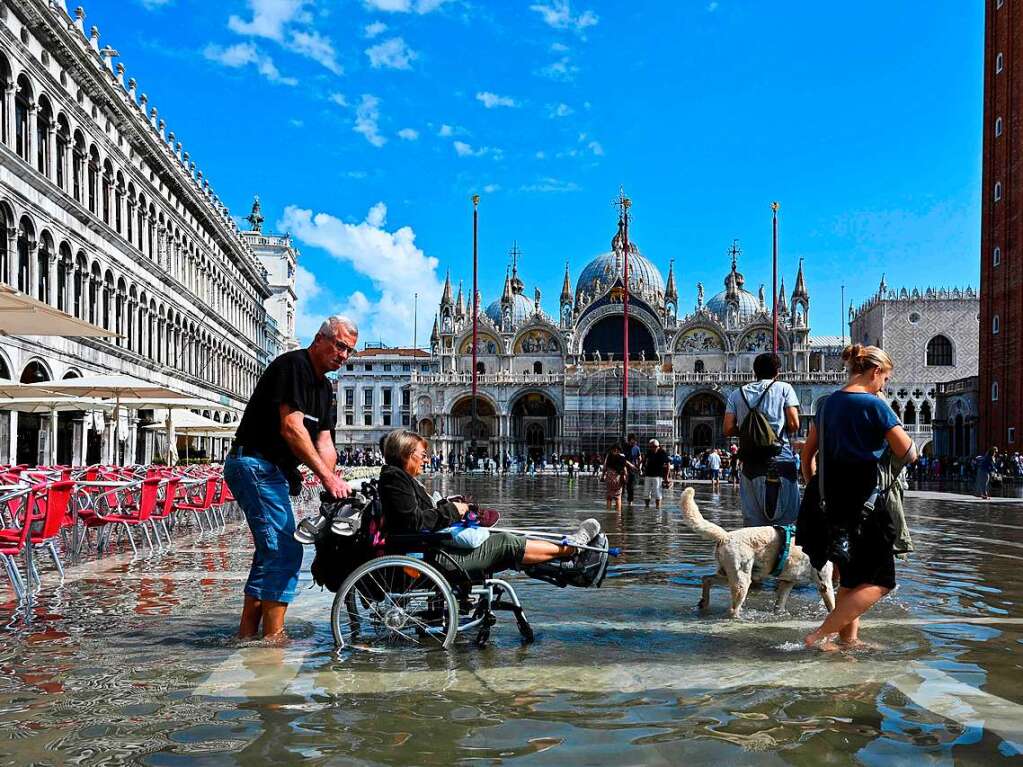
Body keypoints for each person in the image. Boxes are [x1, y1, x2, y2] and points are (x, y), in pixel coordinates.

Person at [225, 316, 356, 641]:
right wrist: (326, 478)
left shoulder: (325, 388)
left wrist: (334, 482)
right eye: (340, 346)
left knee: (270, 552)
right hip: (254, 464)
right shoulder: (293, 366)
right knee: (285, 550)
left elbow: (324, 442)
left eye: (349, 351)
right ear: (320, 339)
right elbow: (292, 427)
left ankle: (246, 635)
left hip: (273, 472)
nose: (343, 356)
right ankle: (274, 638)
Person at [800, 344, 917, 651]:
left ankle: (848, 640)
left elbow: (806, 455)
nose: (884, 385)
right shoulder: (874, 405)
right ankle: (819, 635)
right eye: (885, 379)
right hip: (865, 502)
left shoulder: (827, 405)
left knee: (851, 578)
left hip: (828, 502)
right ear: (874, 371)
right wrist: (882, 408)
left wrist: (818, 491)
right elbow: (909, 452)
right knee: (882, 580)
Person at [377, 430, 601, 578]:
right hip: (431, 557)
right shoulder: (395, 479)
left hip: (432, 549)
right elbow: (414, 521)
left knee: (502, 540)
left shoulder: (400, 479)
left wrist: (448, 505)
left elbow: (416, 517)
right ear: (406, 454)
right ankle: (571, 548)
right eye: (422, 454)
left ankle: (564, 565)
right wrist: (454, 510)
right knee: (505, 542)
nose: (426, 459)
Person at [723, 352, 801, 526]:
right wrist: (771, 433)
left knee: (753, 528)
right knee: (786, 526)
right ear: (777, 372)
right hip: (781, 462)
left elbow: (728, 429)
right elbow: (794, 424)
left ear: (754, 372)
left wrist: (749, 431)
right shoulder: (784, 388)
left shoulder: (737, 394)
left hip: (750, 466)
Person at [602, 444, 637, 513]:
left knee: (609, 497)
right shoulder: (622, 457)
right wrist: (626, 477)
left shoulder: (609, 456)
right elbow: (625, 468)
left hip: (609, 478)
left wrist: (603, 476)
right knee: (618, 497)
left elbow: (604, 466)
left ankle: (608, 512)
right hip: (618, 479)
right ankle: (618, 514)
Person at [642, 439, 671, 509]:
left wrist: (666, 477)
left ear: (658, 446)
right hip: (648, 474)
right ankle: (647, 507)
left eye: (654, 446)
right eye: (651, 446)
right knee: (646, 493)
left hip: (658, 475)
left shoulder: (662, 452)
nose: (652, 448)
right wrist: (641, 468)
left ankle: (658, 508)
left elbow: (668, 464)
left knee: (657, 493)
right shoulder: (649, 452)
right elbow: (644, 460)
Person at [625, 434, 641, 506]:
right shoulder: (625, 447)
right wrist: (630, 465)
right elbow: (623, 459)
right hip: (624, 468)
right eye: (632, 441)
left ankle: (630, 502)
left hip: (632, 470)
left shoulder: (637, 448)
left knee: (630, 486)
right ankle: (619, 499)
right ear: (629, 440)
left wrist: (639, 466)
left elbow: (639, 457)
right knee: (622, 485)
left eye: (635, 441)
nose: (634, 442)